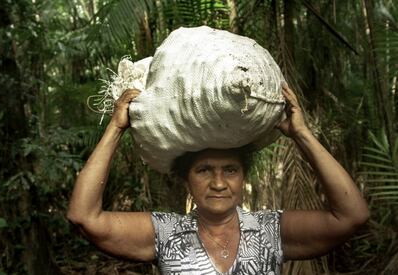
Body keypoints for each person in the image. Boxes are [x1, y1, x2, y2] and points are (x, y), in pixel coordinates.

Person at [67, 84, 369, 274]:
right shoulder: (166, 233)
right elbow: (84, 216)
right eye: (204, 170)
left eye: (230, 170)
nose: (219, 183)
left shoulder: (270, 231)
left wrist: (302, 135)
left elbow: (352, 216)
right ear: (186, 179)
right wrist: (116, 128)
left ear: (242, 177)